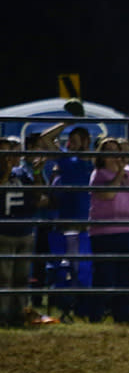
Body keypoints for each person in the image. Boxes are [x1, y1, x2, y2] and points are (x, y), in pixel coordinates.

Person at [87, 137, 129, 323]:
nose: (115, 155)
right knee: (104, 277)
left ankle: (123, 316)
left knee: (125, 278)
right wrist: (120, 172)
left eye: (116, 151)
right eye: (109, 152)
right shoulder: (98, 175)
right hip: (105, 233)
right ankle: (96, 316)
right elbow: (108, 194)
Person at [0, 137, 43, 326]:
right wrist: (6, 171)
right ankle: (3, 316)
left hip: (24, 231)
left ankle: (19, 315)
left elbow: (36, 195)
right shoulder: (6, 173)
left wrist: (37, 172)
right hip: (4, 232)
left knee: (21, 278)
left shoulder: (22, 174)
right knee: (4, 279)